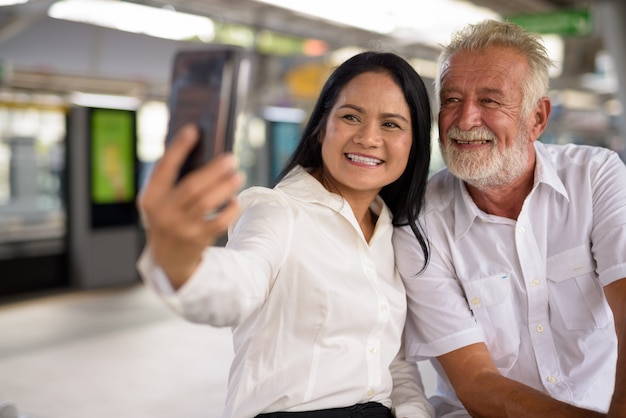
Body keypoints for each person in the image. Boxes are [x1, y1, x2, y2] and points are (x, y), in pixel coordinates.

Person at [137, 51, 435, 418]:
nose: (368, 138)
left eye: (391, 124)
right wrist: (181, 261)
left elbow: (391, 360)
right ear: (321, 125)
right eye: (351, 116)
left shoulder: (392, 231)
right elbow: (237, 285)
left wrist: (415, 409)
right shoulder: (277, 211)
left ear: (415, 141)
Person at [393, 19, 626, 417]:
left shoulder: (596, 176)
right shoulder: (419, 224)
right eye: (451, 99)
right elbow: (477, 384)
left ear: (537, 119)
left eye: (490, 100)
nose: (465, 120)